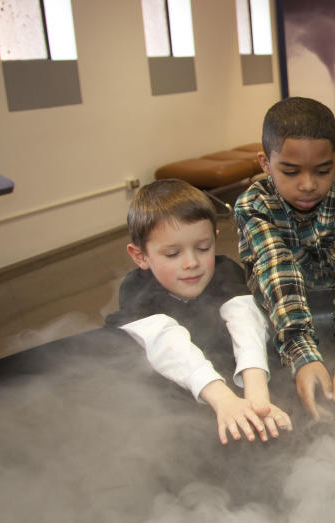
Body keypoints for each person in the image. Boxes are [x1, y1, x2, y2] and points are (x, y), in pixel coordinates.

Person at [107, 179, 293, 445]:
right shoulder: (138, 291)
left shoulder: (224, 271)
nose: (192, 263)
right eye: (172, 254)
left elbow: (246, 323)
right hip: (180, 397)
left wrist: (257, 397)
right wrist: (224, 399)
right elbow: (169, 344)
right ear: (140, 256)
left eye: (203, 248)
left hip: (232, 373)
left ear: (215, 239)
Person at [235, 97, 335, 422]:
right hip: (281, 333)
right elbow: (278, 274)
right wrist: (303, 355)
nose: (308, 184)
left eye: (322, 170)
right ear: (265, 163)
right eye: (291, 171)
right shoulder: (254, 206)